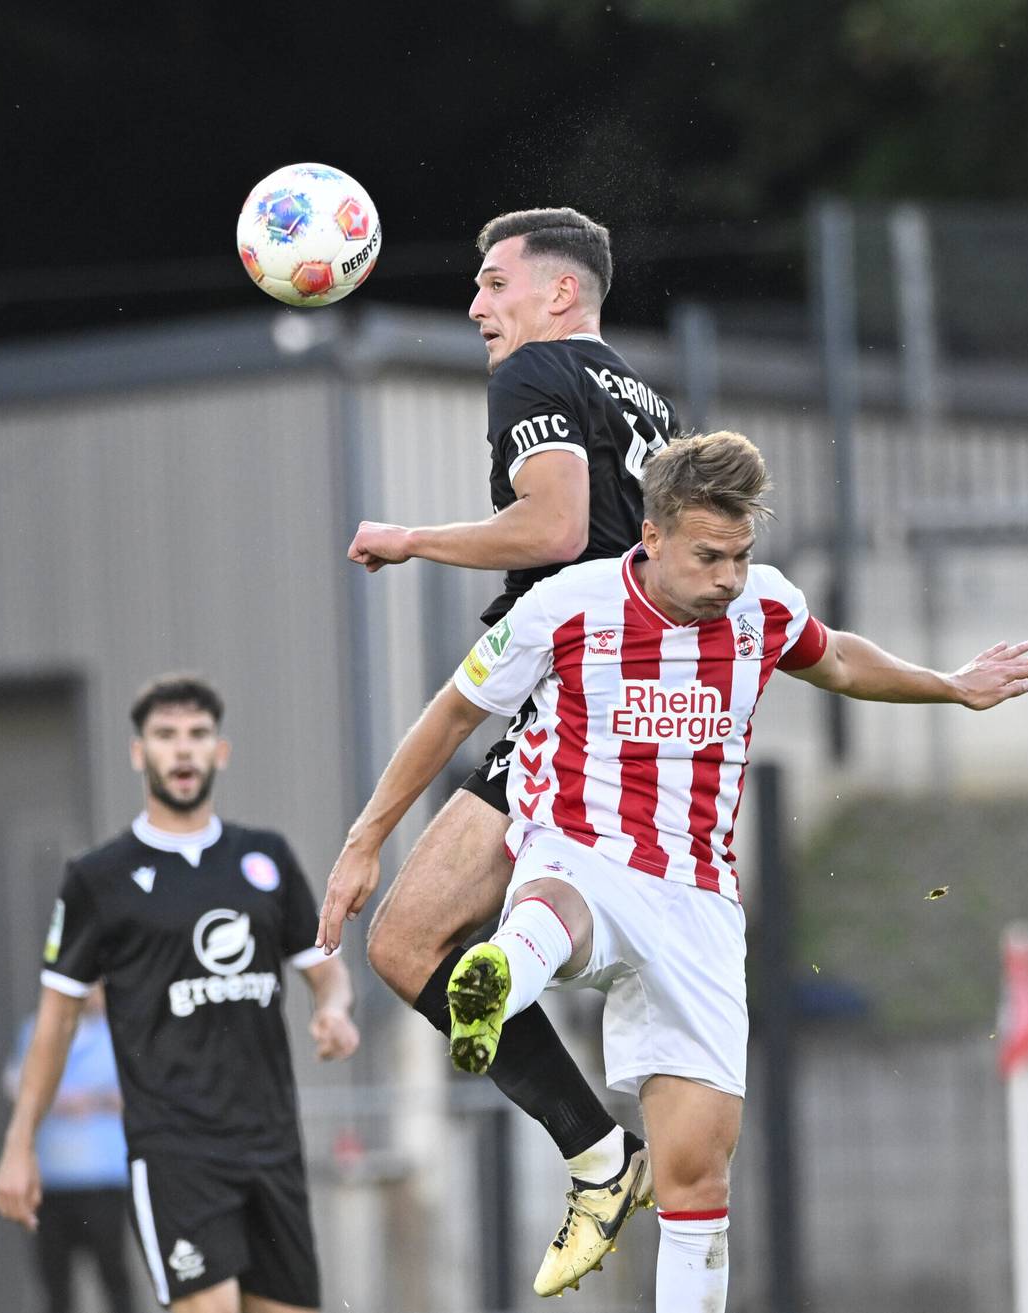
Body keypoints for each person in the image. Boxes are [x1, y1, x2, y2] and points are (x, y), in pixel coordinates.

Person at [323, 434, 1028, 1310]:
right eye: (709, 556)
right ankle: (504, 973)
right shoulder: (566, 606)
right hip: (581, 851)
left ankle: (512, 984)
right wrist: (366, 839)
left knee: (697, 1175)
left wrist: (950, 683)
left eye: (741, 556)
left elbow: (842, 659)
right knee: (557, 906)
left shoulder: (764, 609)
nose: (729, 578)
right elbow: (450, 716)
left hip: (699, 899)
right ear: (652, 535)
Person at [330, 206, 678, 1296]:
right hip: (650, 707)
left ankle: (599, 1149)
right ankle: (610, 1144)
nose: (478, 306)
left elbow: (556, 529)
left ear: (558, 294)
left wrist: (413, 537)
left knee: (408, 943)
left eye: (493, 284)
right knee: (420, 937)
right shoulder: (646, 396)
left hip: (576, 703)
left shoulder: (534, 374)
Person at [0, 676, 361, 1313]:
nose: (182, 751)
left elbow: (323, 969)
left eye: (196, 735)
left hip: (272, 1143)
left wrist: (334, 1011)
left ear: (221, 751)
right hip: (175, 1150)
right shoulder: (98, 879)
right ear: (139, 753)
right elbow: (56, 1020)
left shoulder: (265, 860)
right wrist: (19, 1143)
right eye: (166, 736)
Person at [4, 983, 133, 1313]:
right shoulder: (39, 1029)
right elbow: (17, 1084)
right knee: (55, 1281)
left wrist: (92, 1099)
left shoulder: (122, 1032)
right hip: (53, 1181)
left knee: (114, 1275)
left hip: (105, 1179)